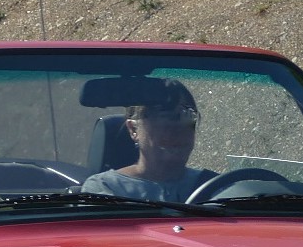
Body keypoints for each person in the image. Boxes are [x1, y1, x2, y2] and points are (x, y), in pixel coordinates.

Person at [81, 79, 216, 203]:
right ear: (133, 129)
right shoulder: (105, 189)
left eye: (188, 117)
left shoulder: (214, 185)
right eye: (166, 117)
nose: (179, 128)